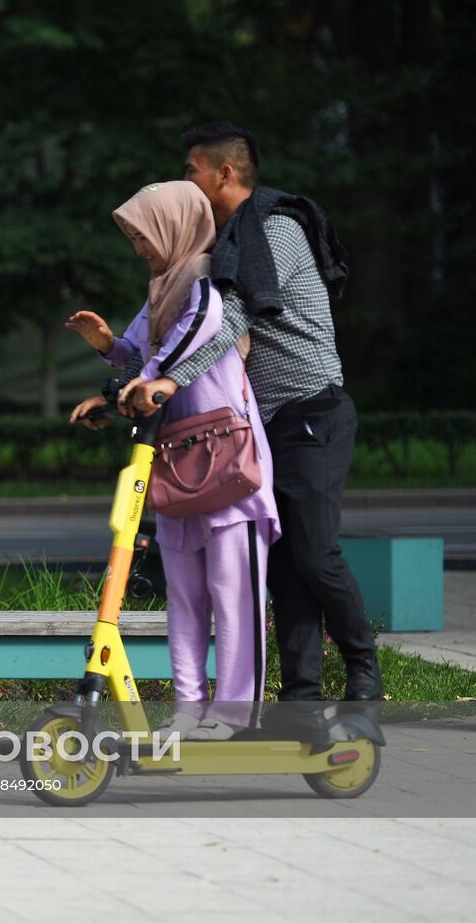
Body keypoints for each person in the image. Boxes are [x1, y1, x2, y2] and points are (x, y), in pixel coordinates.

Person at [116, 122, 383, 704]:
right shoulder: (227, 243)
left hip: (312, 410)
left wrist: (168, 381)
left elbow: (231, 319)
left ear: (224, 173)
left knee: (314, 551)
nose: (187, 180)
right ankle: (303, 695)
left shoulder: (275, 231)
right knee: (284, 564)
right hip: (264, 424)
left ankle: (364, 667)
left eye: (192, 171)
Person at [67, 181, 280, 739]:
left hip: (229, 466)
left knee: (234, 596)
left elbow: (173, 358)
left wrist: (132, 384)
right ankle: (190, 710)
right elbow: (141, 356)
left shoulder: (208, 283)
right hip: (176, 461)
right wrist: (108, 350)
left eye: (143, 234)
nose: (139, 245)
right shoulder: (163, 287)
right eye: (134, 237)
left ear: (174, 226)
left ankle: (233, 716)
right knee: (184, 598)